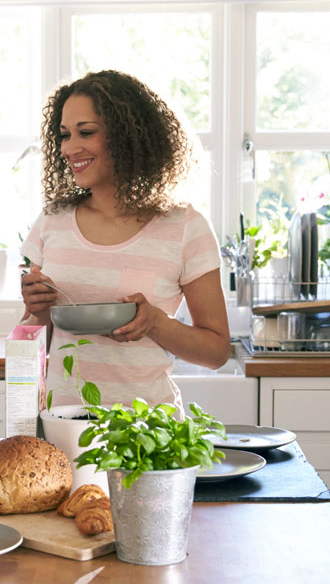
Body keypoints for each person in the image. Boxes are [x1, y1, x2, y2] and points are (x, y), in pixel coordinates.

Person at [19, 69, 231, 410]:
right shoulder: (51, 222)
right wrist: (37, 313)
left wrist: (156, 323)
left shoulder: (185, 227)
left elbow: (217, 352)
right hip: (62, 430)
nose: (70, 148)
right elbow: (32, 345)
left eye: (85, 132)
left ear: (128, 136)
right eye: (64, 135)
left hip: (146, 435)